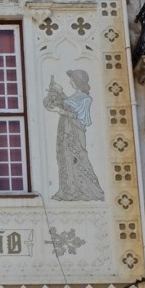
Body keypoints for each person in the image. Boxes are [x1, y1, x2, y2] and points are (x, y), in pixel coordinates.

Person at [43, 69, 104, 201]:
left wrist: (62, 111)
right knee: (64, 159)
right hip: (64, 131)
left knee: (77, 158)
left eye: (72, 79)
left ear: (78, 81)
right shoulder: (73, 96)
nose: (70, 81)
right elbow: (65, 103)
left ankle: (86, 190)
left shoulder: (86, 99)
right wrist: (58, 91)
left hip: (75, 134)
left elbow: (81, 118)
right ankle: (68, 189)